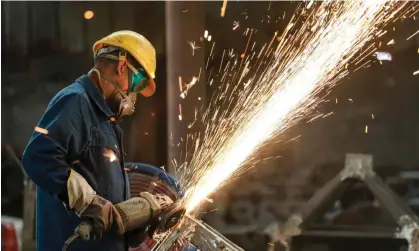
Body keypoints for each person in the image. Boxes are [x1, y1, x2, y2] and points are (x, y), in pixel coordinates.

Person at [22, 30, 166, 251]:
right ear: (121, 67)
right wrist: (89, 202)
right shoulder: (76, 102)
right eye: (136, 84)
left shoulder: (103, 119)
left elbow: (101, 186)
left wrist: (132, 227)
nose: (132, 95)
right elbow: (38, 158)